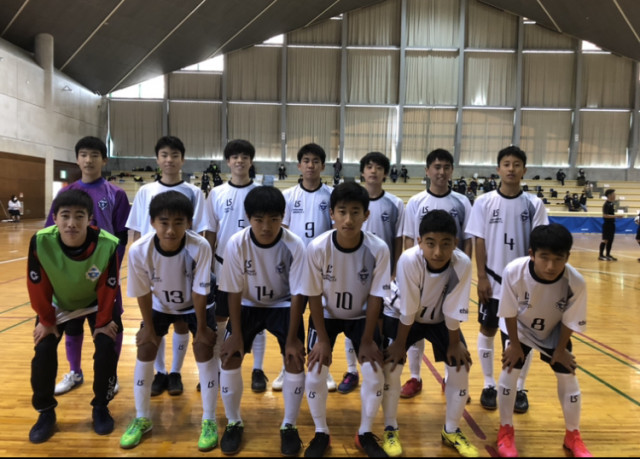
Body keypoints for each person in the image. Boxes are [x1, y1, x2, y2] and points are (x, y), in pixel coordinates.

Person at [120, 191, 218, 451]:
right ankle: (142, 418)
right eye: (164, 222)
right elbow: (142, 292)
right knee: (145, 347)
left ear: (189, 223)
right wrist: (148, 329)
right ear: (152, 222)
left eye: (178, 222)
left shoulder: (200, 246)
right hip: (159, 305)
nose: (171, 230)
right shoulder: (139, 250)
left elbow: (200, 291)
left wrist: (202, 329)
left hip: (194, 304)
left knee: (204, 348)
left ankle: (209, 419)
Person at [301, 182, 391, 457]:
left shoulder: (379, 249)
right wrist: (322, 340)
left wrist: (367, 339)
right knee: (315, 372)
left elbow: (376, 297)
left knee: (374, 374)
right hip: (325, 316)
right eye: (342, 211)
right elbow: (313, 295)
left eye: (355, 212)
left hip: (362, 317)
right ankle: (321, 432)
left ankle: (364, 433)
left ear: (366, 215)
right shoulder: (317, 247)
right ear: (332, 214)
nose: (348, 219)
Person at [217, 186, 307, 456]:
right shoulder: (236, 243)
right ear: (248, 218)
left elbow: (299, 293)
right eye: (259, 220)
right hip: (247, 304)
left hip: (283, 304)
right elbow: (233, 290)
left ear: (283, 217)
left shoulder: (295, 244)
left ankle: (289, 425)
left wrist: (292, 339)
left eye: (274, 219)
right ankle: (234, 422)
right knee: (229, 357)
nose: (266, 227)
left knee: (294, 359)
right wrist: (235, 335)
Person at [27, 189, 121, 443]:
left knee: (106, 346)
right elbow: (37, 285)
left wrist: (103, 323)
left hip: (95, 303)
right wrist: (46, 321)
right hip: (58, 304)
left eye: (79, 216)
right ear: (55, 218)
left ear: (90, 219)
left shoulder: (107, 244)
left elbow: (109, 285)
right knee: (43, 350)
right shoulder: (41, 242)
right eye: (65, 215)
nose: (71, 223)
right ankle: (45, 412)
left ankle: (101, 406)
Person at [383, 210, 477, 458]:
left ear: (455, 243)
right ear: (419, 241)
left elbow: (454, 307)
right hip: (402, 315)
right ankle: (390, 427)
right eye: (430, 243)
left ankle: (451, 431)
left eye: (445, 244)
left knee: (460, 367)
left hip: (440, 318)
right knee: (391, 367)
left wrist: (454, 344)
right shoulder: (408, 260)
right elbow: (408, 308)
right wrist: (400, 344)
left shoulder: (462, 263)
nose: (437, 252)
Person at [495, 224, 592, 458]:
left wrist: (560, 349)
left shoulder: (575, 282)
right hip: (519, 328)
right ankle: (505, 430)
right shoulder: (514, 271)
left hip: (553, 330)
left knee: (568, 375)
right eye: (544, 257)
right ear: (532, 254)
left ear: (567, 257)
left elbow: (571, 320)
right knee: (510, 370)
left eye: (558, 259)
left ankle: (573, 435)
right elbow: (508, 311)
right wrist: (514, 345)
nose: (550, 266)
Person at [45, 136, 130, 397]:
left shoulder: (116, 194)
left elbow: (121, 236)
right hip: (71, 274)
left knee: (110, 325)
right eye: (83, 154)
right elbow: (51, 233)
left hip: (104, 274)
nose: (88, 160)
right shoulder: (66, 194)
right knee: (72, 325)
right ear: (77, 159)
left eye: (94, 155)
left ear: (104, 160)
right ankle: (75, 372)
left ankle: (110, 375)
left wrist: (109, 267)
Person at [466, 145, 548, 414]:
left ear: (524, 170)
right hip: (492, 280)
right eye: (506, 164)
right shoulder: (483, 202)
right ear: (498, 169)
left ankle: (520, 388)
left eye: (516, 164)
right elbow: (478, 240)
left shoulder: (534, 204)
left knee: (524, 337)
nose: (511, 169)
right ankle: (489, 384)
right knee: (488, 329)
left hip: (524, 284)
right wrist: (481, 276)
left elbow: (540, 244)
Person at [126, 135, 209, 397]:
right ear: (157, 159)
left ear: (182, 160)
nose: (169, 160)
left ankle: (175, 372)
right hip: (153, 264)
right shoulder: (145, 191)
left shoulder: (194, 192)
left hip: (183, 263)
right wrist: (139, 264)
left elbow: (200, 231)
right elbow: (137, 230)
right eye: (164, 155)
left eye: (174, 155)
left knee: (182, 322)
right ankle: (160, 372)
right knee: (155, 319)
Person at [401, 148, 473, 400]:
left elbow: (467, 238)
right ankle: (415, 377)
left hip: (449, 273)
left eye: (446, 167)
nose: (441, 172)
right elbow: (409, 238)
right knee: (416, 318)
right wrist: (410, 271)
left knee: (446, 320)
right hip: (420, 273)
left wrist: (462, 272)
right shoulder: (416, 201)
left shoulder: (462, 202)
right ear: (427, 170)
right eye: (437, 167)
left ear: (452, 171)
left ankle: (448, 378)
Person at [336, 152, 404, 398]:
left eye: (379, 168)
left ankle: (375, 367)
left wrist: (394, 272)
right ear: (362, 172)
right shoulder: (349, 201)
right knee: (352, 317)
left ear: (385, 173)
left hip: (382, 273)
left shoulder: (395, 203)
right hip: (353, 272)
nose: (373, 171)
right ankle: (351, 370)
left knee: (379, 323)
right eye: (369, 167)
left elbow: (399, 239)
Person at [204, 139, 268, 393]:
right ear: (228, 162)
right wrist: (208, 266)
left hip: (256, 265)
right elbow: (210, 231)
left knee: (257, 318)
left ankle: (258, 369)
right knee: (220, 318)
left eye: (244, 156)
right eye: (234, 157)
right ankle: (220, 367)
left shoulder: (261, 193)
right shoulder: (217, 193)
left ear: (251, 161)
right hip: (223, 265)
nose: (239, 161)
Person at [274, 143, 336, 392]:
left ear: (323, 166)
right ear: (299, 166)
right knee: (293, 315)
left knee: (323, 316)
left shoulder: (331, 195)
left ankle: (323, 368)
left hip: (324, 267)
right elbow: (283, 232)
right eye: (306, 161)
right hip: (296, 267)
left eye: (316, 161)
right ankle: (288, 364)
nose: (311, 165)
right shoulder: (288, 196)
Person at [598, 188, 622, 261]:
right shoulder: (606, 204)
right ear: (609, 195)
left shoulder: (611, 204)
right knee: (605, 240)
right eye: (614, 194)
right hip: (607, 225)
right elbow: (605, 215)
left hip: (612, 224)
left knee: (610, 240)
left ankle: (608, 255)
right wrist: (616, 216)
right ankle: (601, 255)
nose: (615, 195)